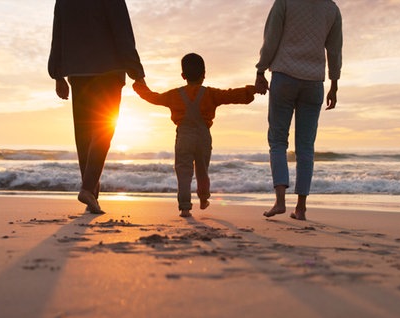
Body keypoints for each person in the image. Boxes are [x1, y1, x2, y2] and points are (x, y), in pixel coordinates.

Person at [48, 0, 145, 214]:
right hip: (109, 72)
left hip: (78, 73)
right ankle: (88, 190)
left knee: (84, 135)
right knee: (103, 132)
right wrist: (137, 73)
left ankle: (91, 192)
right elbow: (123, 34)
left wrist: (58, 75)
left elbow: (58, 37)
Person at [133, 53, 256, 217]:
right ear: (204, 75)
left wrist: (140, 86)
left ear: (183, 76)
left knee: (183, 171)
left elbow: (153, 97)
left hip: (184, 136)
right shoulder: (211, 94)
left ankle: (185, 207)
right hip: (203, 136)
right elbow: (231, 95)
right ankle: (204, 199)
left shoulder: (173, 95)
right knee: (202, 170)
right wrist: (252, 90)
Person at [255, 0, 343, 221]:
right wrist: (334, 83)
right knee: (306, 148)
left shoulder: (285, 2)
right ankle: (301, 208)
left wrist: (260, 70)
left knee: (277, 141)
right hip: (314, 82)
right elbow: (334, 50)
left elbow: (271, 38)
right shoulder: (331, 8)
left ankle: (280, 201)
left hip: (284, 75)